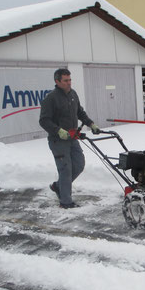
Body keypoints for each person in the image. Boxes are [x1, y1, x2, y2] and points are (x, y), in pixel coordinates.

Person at [39, 68, 100, 208]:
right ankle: (66, 202)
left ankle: (58, 186)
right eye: (65, 80)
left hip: (72, 138)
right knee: (65, 169)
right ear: (57, 81)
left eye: (70, 80)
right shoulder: (51, 98)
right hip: (58, 140)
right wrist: (58, 130)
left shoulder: (73, 94)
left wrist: (91, 124)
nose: (69, 83)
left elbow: (80, 112)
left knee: (79, 164)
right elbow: (44, 120)